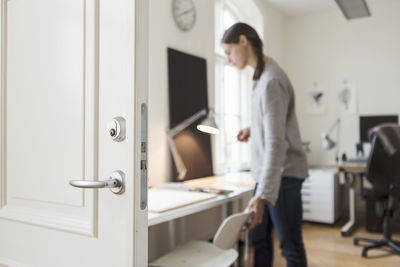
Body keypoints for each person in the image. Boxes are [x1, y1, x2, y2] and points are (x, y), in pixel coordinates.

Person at [221, 22, 309, 267]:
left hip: (283, 176)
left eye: (228, 52)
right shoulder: (260, 78)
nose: (228, 59)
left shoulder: (271, 80)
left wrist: (263, 195)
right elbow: (274, 125)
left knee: (289, 245)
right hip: (269, 175)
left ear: (243, 41)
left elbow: (276, 143)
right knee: (259, 239)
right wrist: (253, 129)